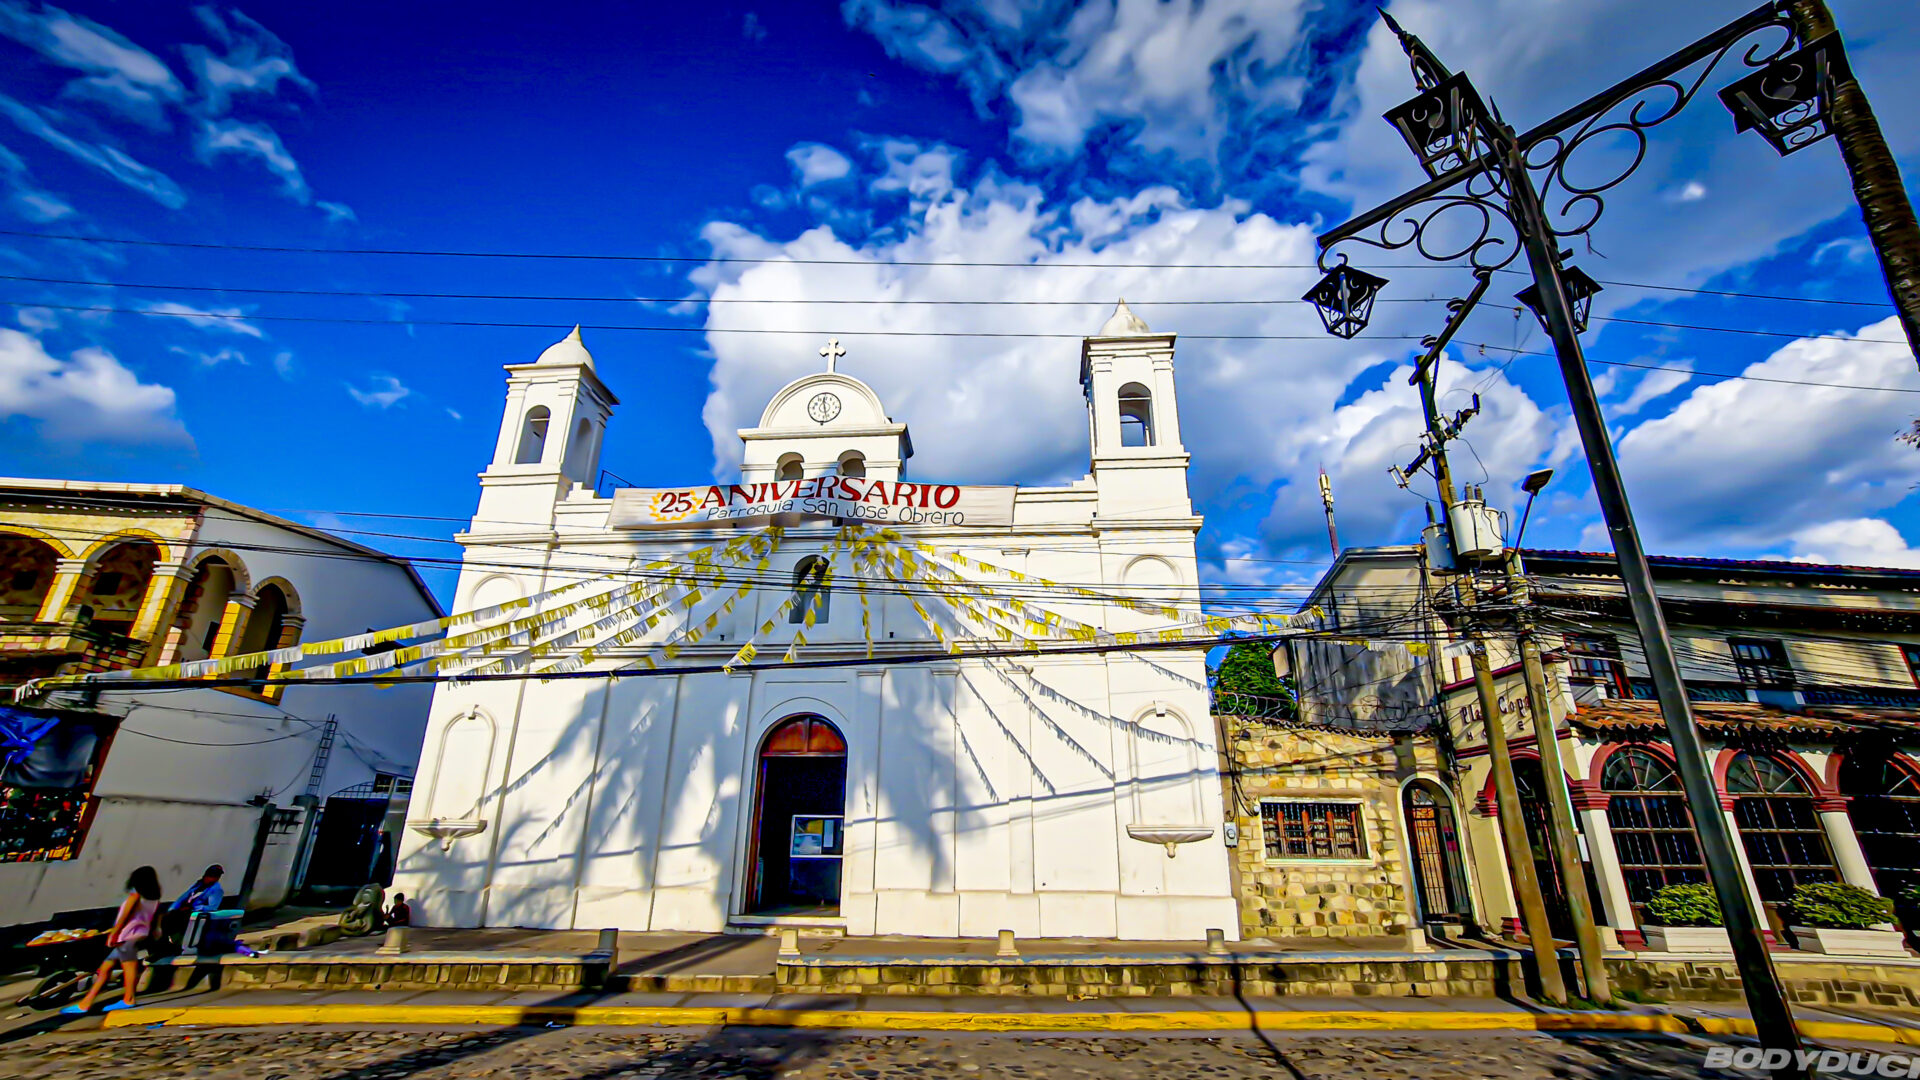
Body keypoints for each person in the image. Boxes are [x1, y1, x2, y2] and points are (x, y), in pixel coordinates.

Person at [63, 866, 162, 1014]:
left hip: (127, 937)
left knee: (129, 968)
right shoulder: (154, 900)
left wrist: (114, 933)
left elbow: (124, 918)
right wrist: (154, 932)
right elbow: (155, 919)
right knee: (105, 969)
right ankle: (85, 1004)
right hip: (139, 935)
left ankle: (129, 999)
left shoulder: (135, 897)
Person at [163, 865, 224, 940]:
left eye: (215, 876)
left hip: (193, 913)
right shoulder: (199, 884)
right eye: (210, 875)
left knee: (177, 919)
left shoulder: (216, 890)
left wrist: (194, 908)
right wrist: (172, 908)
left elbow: (212, 908)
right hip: (183, 908)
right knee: (166, 915)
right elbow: (183, 897)